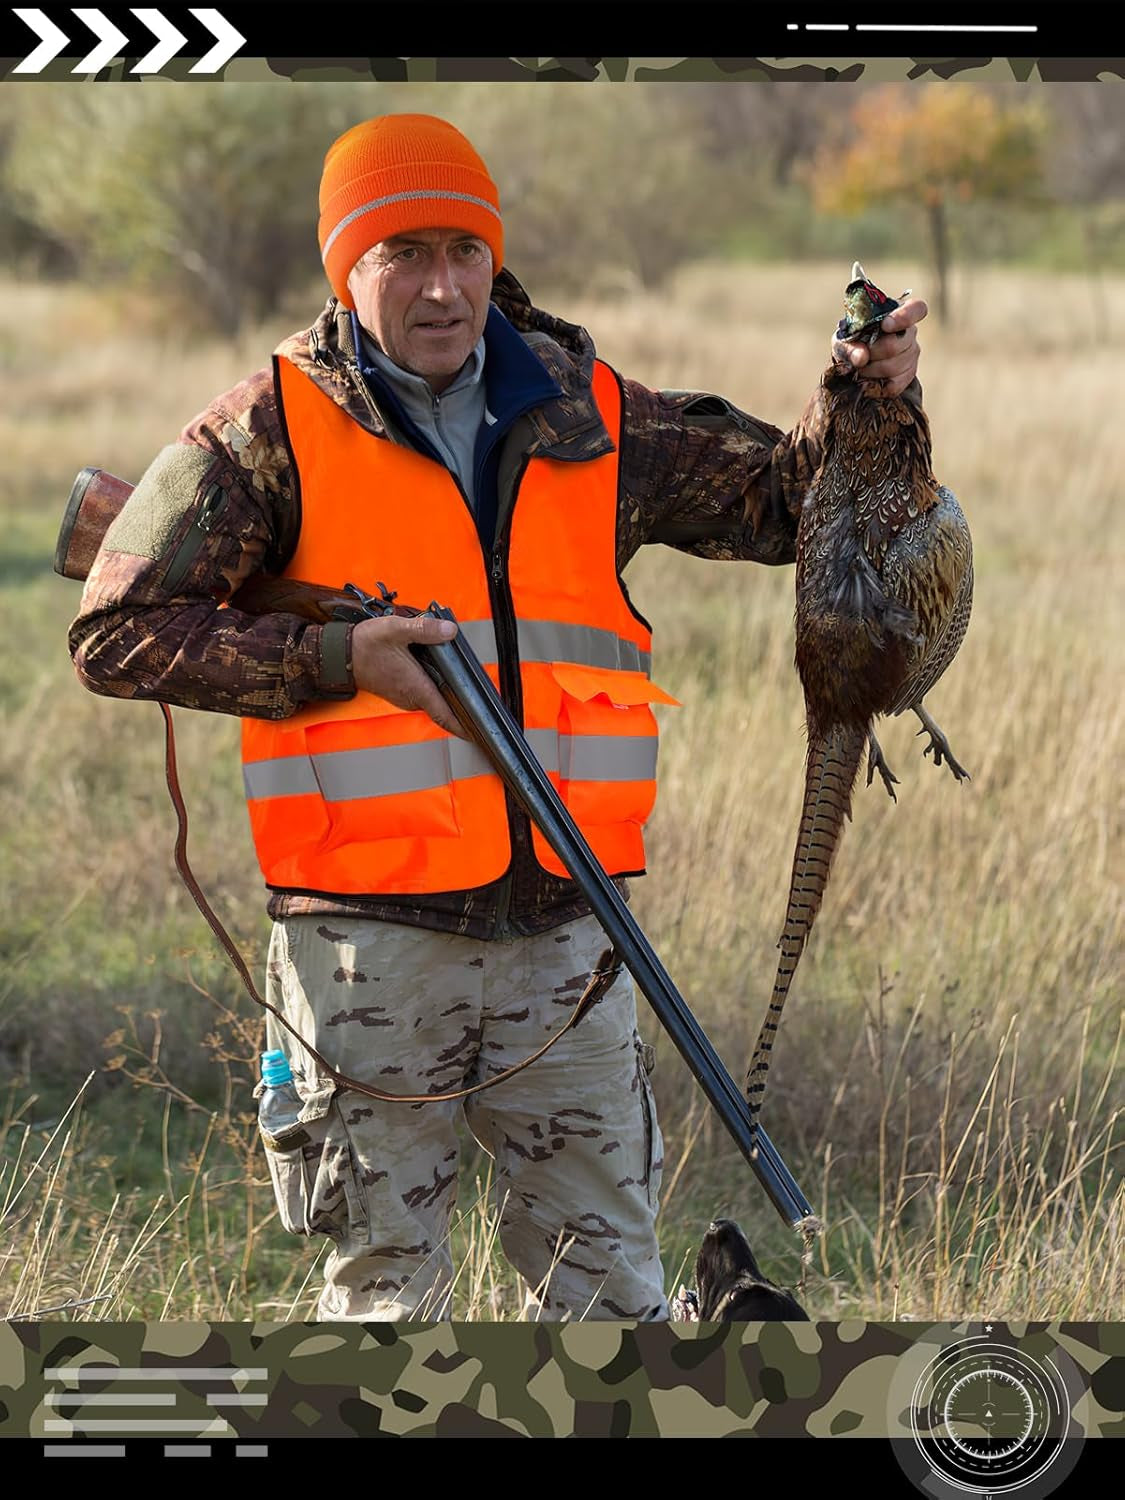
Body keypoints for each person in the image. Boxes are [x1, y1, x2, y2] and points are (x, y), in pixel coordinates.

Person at [69, 113, 925, 1322]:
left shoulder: (588, 410)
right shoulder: (264, 428)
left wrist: (861, 394)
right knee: (385, 1312)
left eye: (465, 250)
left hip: (571, 940)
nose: (440, 284)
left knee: (610, 1301)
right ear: (345, 267)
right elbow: (117, 631)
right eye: (402, 252)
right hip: (371, 954)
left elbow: (786, 509)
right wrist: (336, 656)